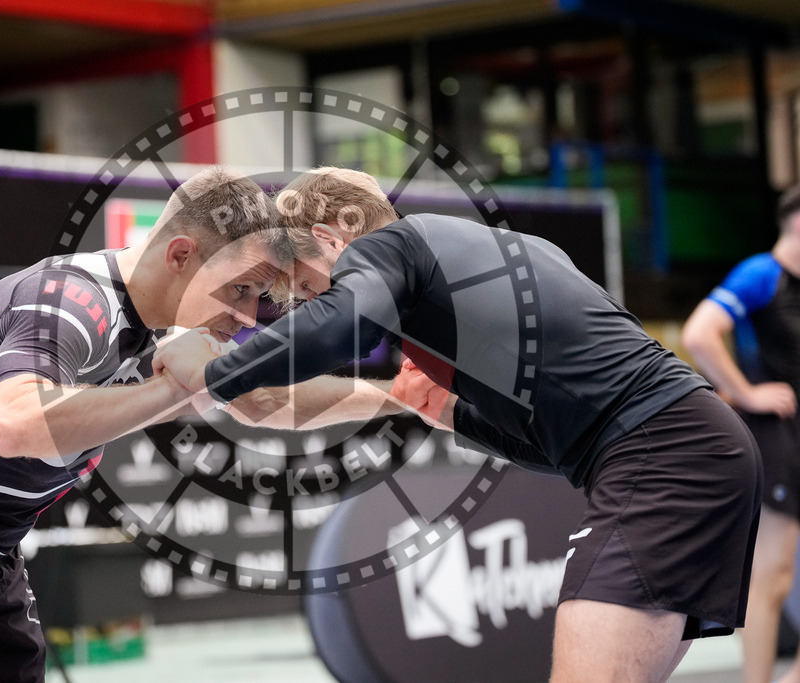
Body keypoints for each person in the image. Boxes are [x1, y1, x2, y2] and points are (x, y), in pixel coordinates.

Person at [155, 166, 763, 682]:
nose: (317, 303)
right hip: (691, 448)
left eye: (313, 288)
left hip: (665, 454)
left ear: (334, 236)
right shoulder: (489, 263)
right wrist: (451, 414)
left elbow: (340, 327)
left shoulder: (396, 245)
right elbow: (559, 451)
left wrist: (215, 371)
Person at [0, 166, 292, 683]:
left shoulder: (151, 328)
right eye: (242, 289)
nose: (251, 315)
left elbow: (263, 399)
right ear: (181, 256)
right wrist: (167, 390)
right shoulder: (66, 302)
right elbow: (14, 423)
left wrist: (391, 395)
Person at [682, 186, 800, 683]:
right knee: (771, 579)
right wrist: (746, 393)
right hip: (778, 439)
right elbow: (698, 334)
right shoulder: (762, 274)